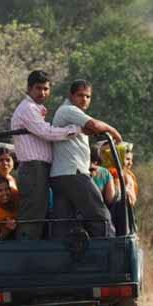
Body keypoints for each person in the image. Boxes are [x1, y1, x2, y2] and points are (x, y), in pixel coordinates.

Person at [9, 70, 81, 239]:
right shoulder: (27, 108)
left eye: (46, 89)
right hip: (33, 168)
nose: (42, 93)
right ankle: (25, 250)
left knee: (41, 211)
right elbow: (46, 132)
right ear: (29, 88)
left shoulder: (36, 109)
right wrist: (74, 130)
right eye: (38, 88)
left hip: (40, 168)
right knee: (32, 213)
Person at [49, 79, 120, 239]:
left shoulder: (72, 114)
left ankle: (62, 254)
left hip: (60, 175)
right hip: (73, 173)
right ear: (71, 95)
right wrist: (114, 131)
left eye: (88, 96)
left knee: (64, 223)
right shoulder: (68, 110)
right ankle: (110, 249)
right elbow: (94, 125)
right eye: (80, 95)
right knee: (100, 216)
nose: (84, 100)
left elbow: (89, 128)